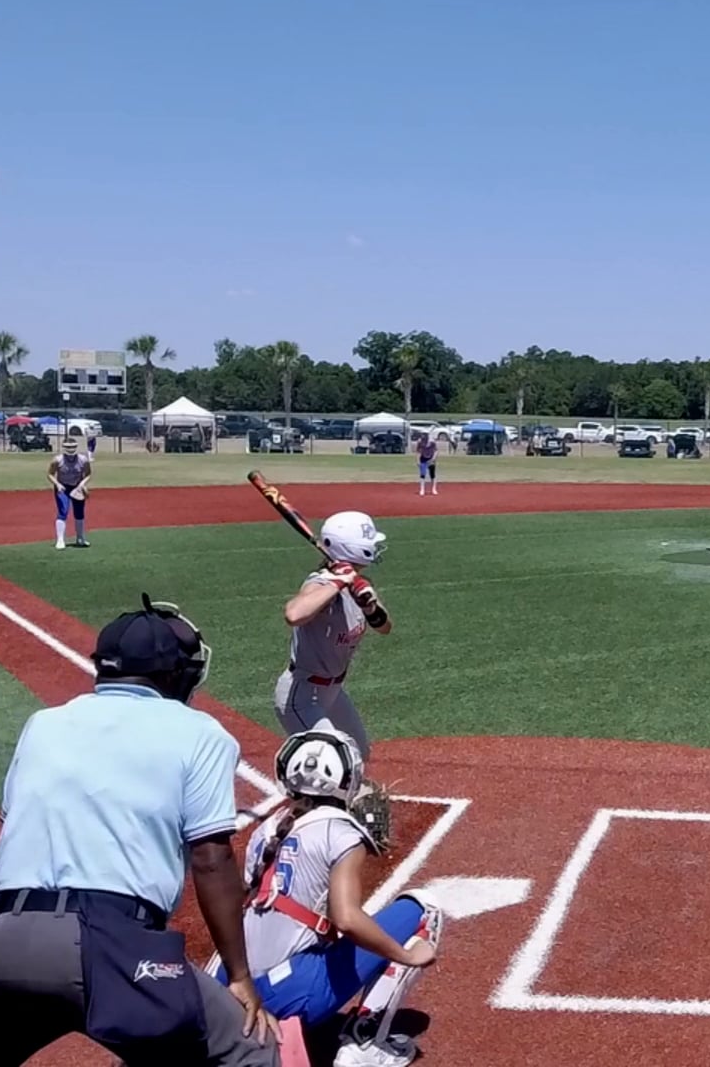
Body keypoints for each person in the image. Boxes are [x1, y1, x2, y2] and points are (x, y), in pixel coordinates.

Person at [0, 595, 281, 1067]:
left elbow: (11, 821)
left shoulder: (42, 724)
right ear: (173, 675)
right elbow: (211, 858)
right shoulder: (201, 732)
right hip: (112, 946)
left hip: (3, 939)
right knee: (250, 1049)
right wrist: (239, 975)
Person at [227, 721, 442, 1067]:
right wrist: (404, 955)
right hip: (291, 995)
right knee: (424, 908)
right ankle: (364, 1044)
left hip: (232, 994)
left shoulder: (264, 830)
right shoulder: (341, 830)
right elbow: (346, 918)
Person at [276, 510, 395, 848]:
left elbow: (385, 627)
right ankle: (302, 833)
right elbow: (294, 613)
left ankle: (329, 819)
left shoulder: (358, 583)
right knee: (336, 767)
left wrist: (370, 606)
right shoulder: (320, 583)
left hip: (333, 691)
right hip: (301, 695)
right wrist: (338, 582)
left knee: (359, 752)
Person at [46, 437, 93, 550]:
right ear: (64, 447)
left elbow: (88, 474)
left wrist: (82, 485)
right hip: (63, 487)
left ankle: (80, 538)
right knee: (63, 511)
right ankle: (60, 540)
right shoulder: (57, 460)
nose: (70, 449)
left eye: (72, 447)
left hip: (77, 487)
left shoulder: (83, 460)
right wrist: (57, 484)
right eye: (68, 447)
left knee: (79, 513)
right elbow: (50, 474)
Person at [415, 430, 438, 496]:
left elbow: (436, 450)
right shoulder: (420, 441)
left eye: (425, 434)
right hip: (423, 458)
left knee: (432, 474)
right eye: (423, 434)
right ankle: (422, 489)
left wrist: (433, 459)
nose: (423, 436)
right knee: (423, 474)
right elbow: (418, 451)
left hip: (431, 458)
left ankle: (434, 489)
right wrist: (418, 460)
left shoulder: (432, 441)